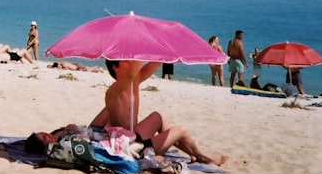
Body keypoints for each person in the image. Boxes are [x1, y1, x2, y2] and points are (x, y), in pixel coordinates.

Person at [92, 59, 227, 166]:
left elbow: (157, 62)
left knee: (157, 117)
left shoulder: (134, 81)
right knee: (181, 131)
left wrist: (165, 46)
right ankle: (202, 156)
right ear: (116, 68)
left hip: (134, 137)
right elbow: (132, 71)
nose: (132, 61)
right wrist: (137, 49)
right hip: (128, 147)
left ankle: (191, 151)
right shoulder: (114, 91)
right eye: (127, 60)